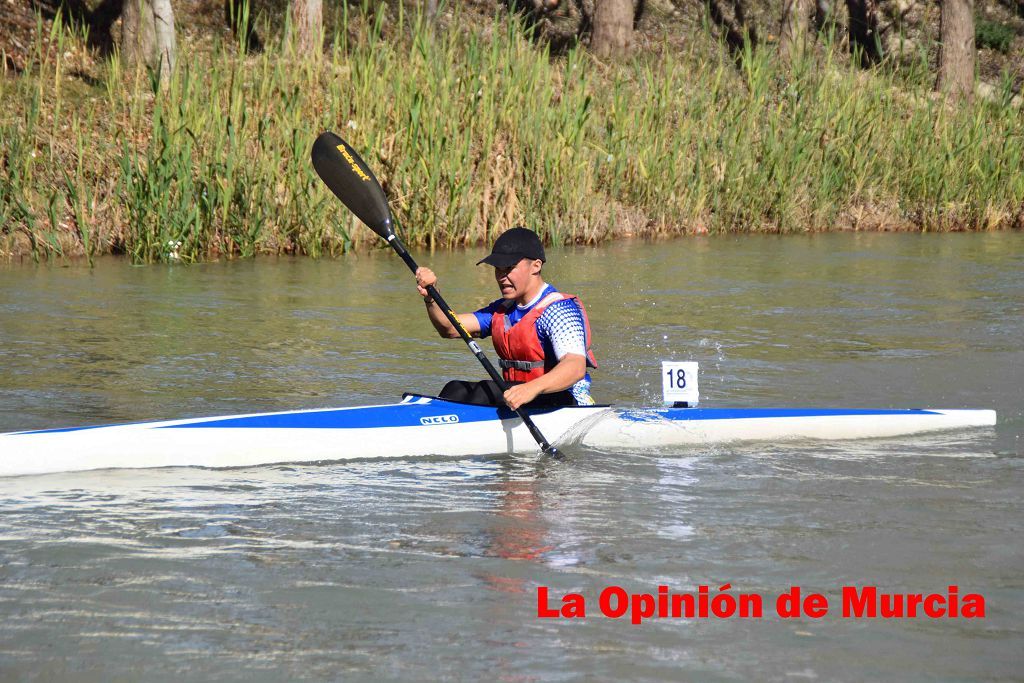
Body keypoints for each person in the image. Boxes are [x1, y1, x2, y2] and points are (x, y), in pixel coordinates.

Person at [415, 226, 596, 410]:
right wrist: (431, 297)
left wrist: (531, 389)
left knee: (484, 392)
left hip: (566, 404)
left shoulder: (558, 310)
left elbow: (575, 367)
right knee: (455, 389)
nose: (502, 277)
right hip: (521, 400)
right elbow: (449, 328)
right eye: (498, 270)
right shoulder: (502, 310)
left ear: (536, 266)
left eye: (509, 268)